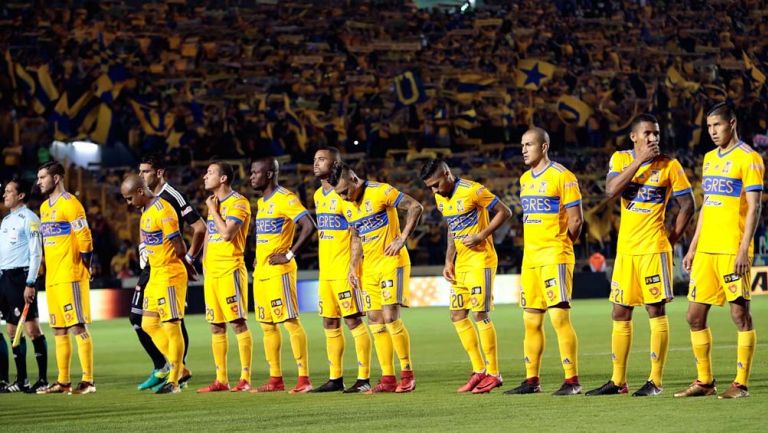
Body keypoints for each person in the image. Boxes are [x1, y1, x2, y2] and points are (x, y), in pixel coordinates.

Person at [585, 114, 694, 397]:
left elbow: (688, 205)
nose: (653, 138)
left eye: (655, 134)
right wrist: (639, 161)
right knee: (619, 311)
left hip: (653, 248)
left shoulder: (670, 164)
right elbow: (610, 191)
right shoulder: (621, 159)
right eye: (647, 133)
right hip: (627, 251)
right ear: (634, 136)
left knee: (655, 310)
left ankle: (655, 381)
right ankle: (618, 381)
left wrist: (670, 239)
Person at [675, 103, 764, 399]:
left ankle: (740, 384)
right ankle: (704, 381)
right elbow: (706, 206)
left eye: (718, 125)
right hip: (706, 252)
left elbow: (754, 207)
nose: (712, 131)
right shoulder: (710, 159)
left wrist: (743, 250)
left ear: (732, 123)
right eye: (710, 126)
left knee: (740, 315)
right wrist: (693, 246)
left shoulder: (749, 158)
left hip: (731, 250)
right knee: (693, 316)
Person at [330, 163, 424, 393]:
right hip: (369, 268)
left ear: (353, 178)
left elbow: (415, 206)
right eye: (339, 194)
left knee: (390, 316)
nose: (344, 196)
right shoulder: (347, 204)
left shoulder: (380, 191)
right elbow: (355, 234)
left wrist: (402, 238)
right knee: (374, 320)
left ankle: (407, 375)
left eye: (345, 191)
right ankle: (388, 378)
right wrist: (353, 265)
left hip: (392, 262)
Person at [420, 158, 512, 394]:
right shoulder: (441, 197)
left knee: (480, 314)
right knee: (457, 315)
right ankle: (478, 369)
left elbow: (505, 211)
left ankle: (494, 373)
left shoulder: (473, 190)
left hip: (481, 261)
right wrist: (449, 259)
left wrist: (482, 235)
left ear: (447, 174)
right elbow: (452, 227)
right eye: (430, 187)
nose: (434, 190)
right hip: (461, 263)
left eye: (436, 184)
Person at [505, 127, 584, 396]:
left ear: (544, 147)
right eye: (522, 144)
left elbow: (576, 219)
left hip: (554, 257)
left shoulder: (563, 176)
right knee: (531, 321)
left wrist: (561, 247)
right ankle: (531, 380)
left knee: (559, 318)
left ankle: (572, 380)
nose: (524, 149)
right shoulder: (525, 179)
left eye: (529, 144)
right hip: (531, 260)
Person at [134, 155, 205, 390]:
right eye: (140, 172)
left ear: (159, 173)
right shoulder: (145, 202)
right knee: (144, 321)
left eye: (146, 172)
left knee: (172, 321)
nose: (142, 176)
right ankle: (175, 368)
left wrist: (188, 259)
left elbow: (199, 228)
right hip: (153, 266)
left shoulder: (171, 197)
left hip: (170, 266)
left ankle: (174, 373)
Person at [120, 174, 193, 394]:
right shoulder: (146, 212)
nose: (128, 203)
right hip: (156, 275)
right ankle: (180, 369)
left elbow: (180, 248)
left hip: (170, 274)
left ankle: (174, 380)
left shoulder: (164, 210)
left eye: (130, 198)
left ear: (141, 192)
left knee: (172, 325)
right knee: (148, 324)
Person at [249, 156, 316, 393]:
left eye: (255, 172)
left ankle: (304, 379)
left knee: (289, 322)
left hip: (280, 272)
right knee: (267, 325)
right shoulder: (262, 202)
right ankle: (275, 379)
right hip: (262, 273)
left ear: (268, 174)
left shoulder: (285, 198)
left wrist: (289, 255)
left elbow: (309, 225)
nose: (251, 177)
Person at [309, 146, 373, 393]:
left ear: (335, 164)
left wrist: (353, 265)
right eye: (315, 159)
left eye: (322, 159)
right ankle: (335, 378)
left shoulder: (345, 194)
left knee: (353, 320)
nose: (316, 163)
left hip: (345, 268)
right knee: (329, 321)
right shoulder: (317, 195)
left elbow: (356, 231)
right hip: (326, 271)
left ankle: (364, 378)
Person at [35, 161, 95, 394]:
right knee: (58, 329)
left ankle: (88, 381)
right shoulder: (44, 208)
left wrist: (86, 266)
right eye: (38, 177)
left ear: (56, 178)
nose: (39, 181)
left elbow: (85, 238)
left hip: (71, 274)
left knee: (76, 326)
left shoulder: (71, 204)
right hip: (52, 278)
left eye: (42, 177)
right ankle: (63, 381)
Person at [196, 162, 254, 393]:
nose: (204, 176)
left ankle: (245, 378)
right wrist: (204, 261)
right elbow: (211, 234)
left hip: (231, 269)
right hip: (213, 272)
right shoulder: (215, 203)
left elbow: (227, 234)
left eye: (210, 173)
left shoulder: (238, 203)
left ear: (223, 178)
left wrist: (212, 210)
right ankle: (221, 379)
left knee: (237, 323)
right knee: (216, 326)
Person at [0, 177, 47, 393]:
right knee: (12, 330)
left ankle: (43, 379)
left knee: (32, 329)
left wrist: (30, 282)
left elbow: (36, 252)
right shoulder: (6, 220)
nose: (4, 194)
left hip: (21, 278)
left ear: (20, 195)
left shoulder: (30, 219)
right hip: (5, 279)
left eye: (9, 191)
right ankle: (21, 380)